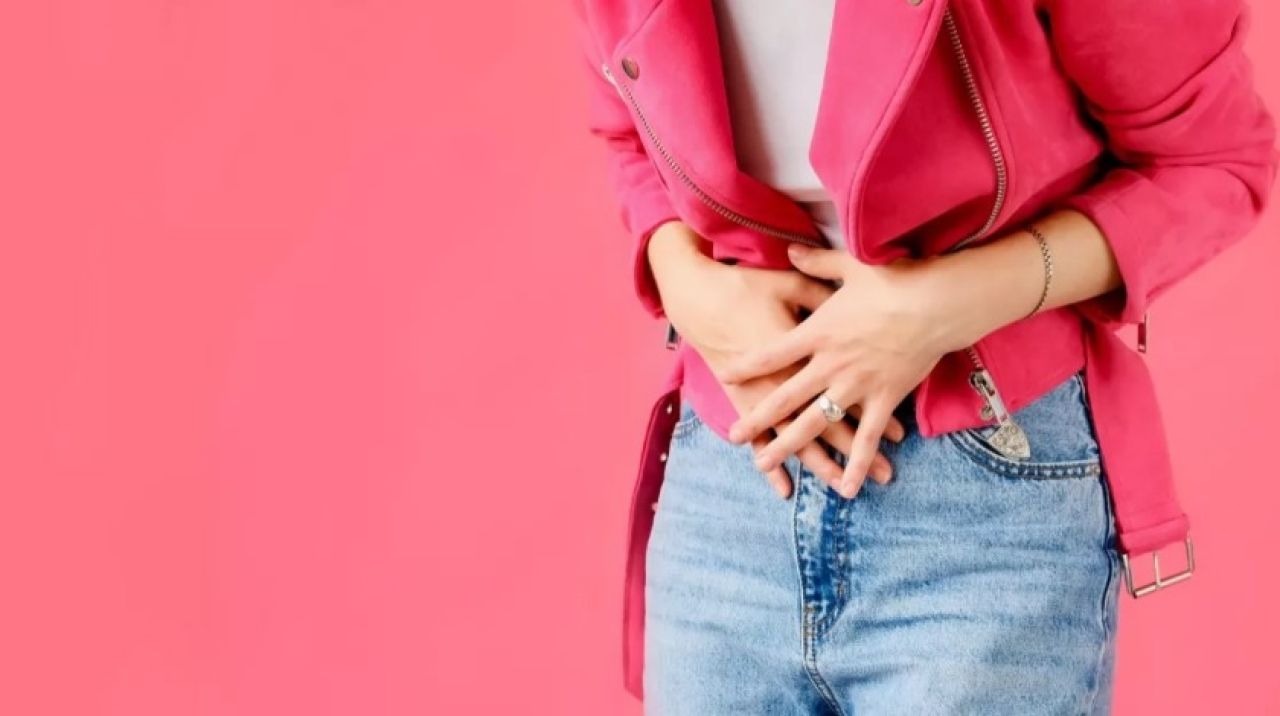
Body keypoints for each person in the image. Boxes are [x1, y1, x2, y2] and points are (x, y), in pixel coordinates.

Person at [573, 0, 1277, 713]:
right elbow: (627, 123)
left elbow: (1215, 161)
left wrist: (945, 305)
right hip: (728, 488)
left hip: (985, 503)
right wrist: (681, 278)